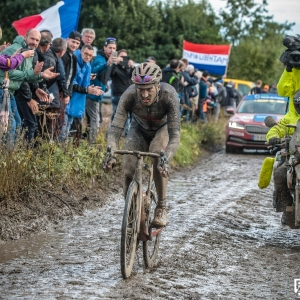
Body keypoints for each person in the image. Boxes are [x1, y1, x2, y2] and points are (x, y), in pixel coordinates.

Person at [103, 63, 180, 227]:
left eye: (149, 89)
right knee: (128, 168)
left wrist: (166, 158)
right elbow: (115, 130)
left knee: (157, 154)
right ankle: (131, 211)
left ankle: (161, 207)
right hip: (138, 128)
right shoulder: (129, 95)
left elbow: (175, 136)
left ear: (157, 86)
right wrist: (112, 153)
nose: (144, 94)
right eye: (140, 89)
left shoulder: (169, 95)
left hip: (162, 129)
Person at [0, 29, 59, 141]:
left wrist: (41, 74)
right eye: (32, 39)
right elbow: (8, 72)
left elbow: (27, 76)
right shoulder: (15, 49)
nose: (34, 42)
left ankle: (11, 154)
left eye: (37, 40)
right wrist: (32, 74)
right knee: (9, 126)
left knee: (17, 124)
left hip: (10, 92)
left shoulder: (30, 52)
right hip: (2, 90)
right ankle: (6, 154)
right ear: (25, 36)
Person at [266, 66, 300, 224]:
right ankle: (286, 208)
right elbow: (277, 128)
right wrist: (273, 137)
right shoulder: (290, 117)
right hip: (296, 156)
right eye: (298, 103)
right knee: (280, 173)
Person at [60, 45, 103, 141]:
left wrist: (90, 86)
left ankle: (63, 148)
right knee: (63, 126)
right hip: (67, 98)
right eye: (86, 53)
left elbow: (83, 83)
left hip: (76, 101)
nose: (87, 56)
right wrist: (87, 90)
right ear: (81, 52)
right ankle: (59, 146)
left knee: (68, 125)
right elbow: (72, 84)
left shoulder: (87, 65)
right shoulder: (74, 61)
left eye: (90, 55)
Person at [86, 37, 117, 142]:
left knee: (92, 119)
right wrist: (107, 64)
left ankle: (87, 140)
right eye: (110, 48)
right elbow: (94, 70)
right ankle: (92, 143)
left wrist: (105, 86)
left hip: (98, 94)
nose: (112, 50)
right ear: (104, 48)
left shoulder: (109, 60)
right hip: (92, 94)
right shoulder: (100, 59)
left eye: (114, 48)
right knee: (96, 120)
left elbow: (105, 76)